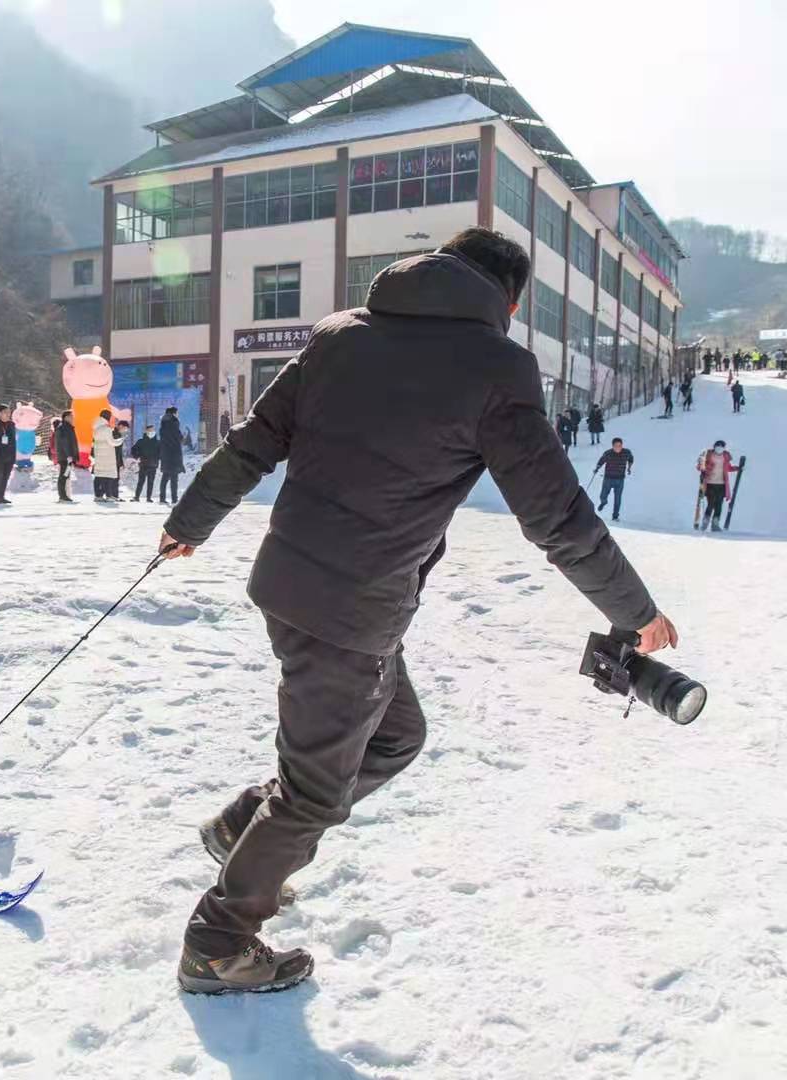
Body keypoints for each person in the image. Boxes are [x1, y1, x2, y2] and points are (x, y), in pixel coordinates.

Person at [156, 228, 674, 994]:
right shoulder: (497, 368)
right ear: (512, 299)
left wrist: (188, 523)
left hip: (294, 588)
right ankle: (219, 939)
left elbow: (251, 443)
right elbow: (557, 517)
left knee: (397, 734)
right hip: (349, 613)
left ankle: (244, 830)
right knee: (316, 795)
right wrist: (636, 613)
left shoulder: (339, 335)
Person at [695, 439, 739, 532]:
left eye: (721, 446)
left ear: (724, 448)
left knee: (719, 504)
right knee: (711, 503)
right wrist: (701, 465)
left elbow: (728, 468)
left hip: (722, 484)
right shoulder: (708, 455)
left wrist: (737, 468)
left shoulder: (725, 456)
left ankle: (715, 524)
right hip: (710, 483)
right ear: (714, 446)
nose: (719, 448)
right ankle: (705, 522)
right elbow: (700, 467)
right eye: (717, 446)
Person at [593, 437, 634, 522]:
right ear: (613, 446)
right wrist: (597, 468)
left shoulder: (627, 452)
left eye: (619, 445)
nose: (618, 447)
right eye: (616, 446)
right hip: (608, 478)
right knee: (603, 495)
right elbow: (601, 461)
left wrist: (629, 468)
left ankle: (615, 516)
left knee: (618, 498)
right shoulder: (608, 453)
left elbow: (631, 459)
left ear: (622, 445)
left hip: (620, 480)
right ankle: (604, 502)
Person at [90, 408, 120, 502]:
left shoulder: (96, 428)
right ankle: (109, 495)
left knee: (99, 475)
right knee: (109, 476)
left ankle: (98, 495)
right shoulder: (106, 429)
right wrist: (120, 440)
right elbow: (111, 442)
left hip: (99, 455)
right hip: (108, 456)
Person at [158, 407, 185, 505]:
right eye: (177, 413)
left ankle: (162, 498)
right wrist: (181, 438)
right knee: (174, 478)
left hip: (166, 455)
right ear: (173, 413)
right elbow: (179, 437)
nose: (178, 414)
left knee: (165, 477)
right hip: (174, 455)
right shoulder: (174, 423)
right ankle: (174, 498)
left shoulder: (163, 425)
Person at [53, 410, 80, 504]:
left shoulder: (67, 427)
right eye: (71, 416)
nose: (73, 418)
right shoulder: (63, 427)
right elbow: (65, 443)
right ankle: (62, 496)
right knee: (63, 476)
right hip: (65, 457)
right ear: (66, 417)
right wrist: (69, 455)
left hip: (67, 456)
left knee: (65, 475)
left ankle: (64, 495)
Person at [131, 422, 161, 502]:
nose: (151, 432)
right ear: (146, 432)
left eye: (153, 430)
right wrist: (137, 456)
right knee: (141, 481)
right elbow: (134, 449)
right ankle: (136, 497)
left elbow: (161, 452)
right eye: (149, 430)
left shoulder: (158, 442)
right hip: (143, 464)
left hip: (153, 464)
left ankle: (149, 498)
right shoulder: (141, 441)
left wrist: (158, 458)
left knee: (151, 482)